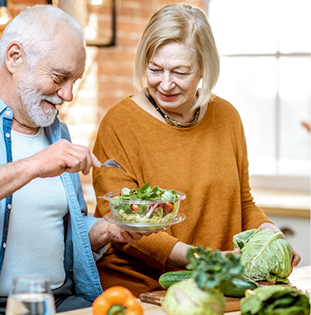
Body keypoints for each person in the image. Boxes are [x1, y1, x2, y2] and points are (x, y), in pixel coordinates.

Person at [0, 5, 146, 315]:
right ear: (14, 57)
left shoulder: (57, 133)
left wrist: (107, 231)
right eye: (60, 78)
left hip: (60, 303)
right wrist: (34, 165)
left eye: (74, 81)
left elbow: (62, 229)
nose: (68, 95)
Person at [92, 3, 301, 297]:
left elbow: (243, 202)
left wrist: (271, 236)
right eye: (155, 69)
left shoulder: (227, 116)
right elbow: (121, 224)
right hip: (143, 291)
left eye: (180, 71)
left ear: (204, 67)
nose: (165, 83)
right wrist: (203, 259)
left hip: (216, 285)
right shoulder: (120, 123)